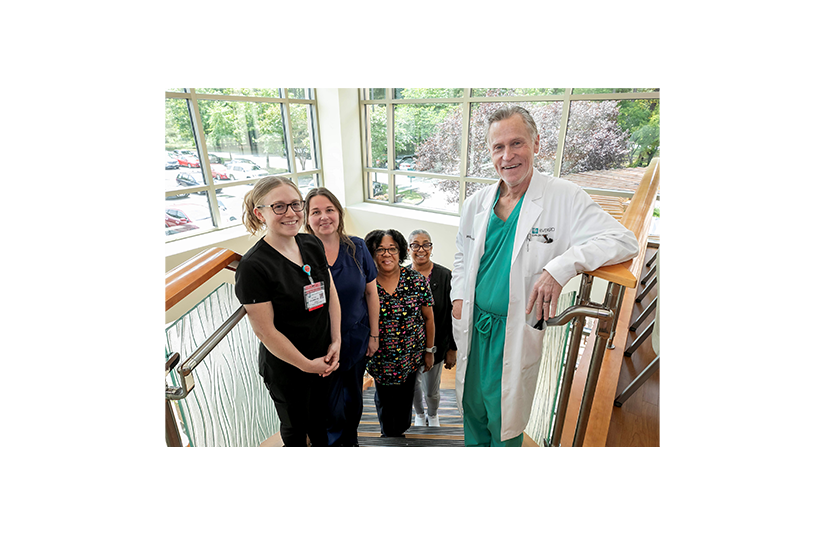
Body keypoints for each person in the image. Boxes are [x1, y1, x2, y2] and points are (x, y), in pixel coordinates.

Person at [451, 106, 639, 447]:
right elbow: (462, 255)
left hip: (515, 329)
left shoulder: (563, 197)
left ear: (536, 144)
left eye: (517, 143)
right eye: (498, 147)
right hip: (474, 328)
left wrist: (561, 267)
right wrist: (458, 300)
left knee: (506, 419)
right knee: (472, 409)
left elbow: (624, 241)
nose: (507, 156)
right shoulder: (477, 203)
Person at [234, 176, 341, 447]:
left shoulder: (311, 243)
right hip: (288, 367)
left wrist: (336, 339)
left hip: (322, 355)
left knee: (319, 419)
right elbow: (265, 332)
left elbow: (331, 294)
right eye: (279, 207)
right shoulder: (253, 267)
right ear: (260, 213)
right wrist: (307, 365)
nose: (291, 213)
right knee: (294, 427)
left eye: (296, 204)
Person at [304, 187, 379, 446]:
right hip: (319, 347)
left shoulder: (357, 247)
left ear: (339, 213)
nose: (324, 217)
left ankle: (351, 441)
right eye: (316, 212)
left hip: (355, 340)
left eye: (329, 210)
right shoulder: (299, 254)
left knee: (354, 401)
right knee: (330, 408)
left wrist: (374, 335)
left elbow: (371, 294)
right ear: (307, 218)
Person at [364, 229, 435, 437]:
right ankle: (388, 435)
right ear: (372, 253)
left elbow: (429, 318)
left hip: (410, 356)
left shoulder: (416, 280)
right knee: (385, 400)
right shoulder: (367, 283)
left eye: (392, 249)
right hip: (380, 357)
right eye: (380, 249)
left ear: (401, 251)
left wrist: (429, 350)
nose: (387, 254)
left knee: (406, 398)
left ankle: (401, 431)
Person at [407, 229, 458, 427]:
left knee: (431, 389)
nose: (421, 249)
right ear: (409, 248)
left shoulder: (446, 276)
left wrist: (452, 348)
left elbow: (453, 315)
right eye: (415, 245)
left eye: (426, 244)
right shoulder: (402, 275)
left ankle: (434, 414)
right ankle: (419, 415)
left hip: (437, 344)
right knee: (413, 387)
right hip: (409, 346)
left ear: (431, 248)